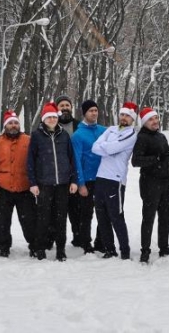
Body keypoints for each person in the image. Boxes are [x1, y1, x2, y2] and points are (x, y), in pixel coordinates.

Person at [27, 102, 78, 261]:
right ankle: (40, 248)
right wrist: (33, 183)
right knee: (43, 218)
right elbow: (30, 161)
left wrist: (74, 180)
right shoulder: (36, 136)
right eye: (48, 117)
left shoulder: (64, 135)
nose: (51, 120)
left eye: (54, 117)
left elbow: (72, 158)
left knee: (60, 218)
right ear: (43, 119)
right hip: (44, 184)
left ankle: (60, 250)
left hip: (62, 184)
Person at [0, 111, 37, 258]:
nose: (13, 125)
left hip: (24, 188)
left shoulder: (29, 140)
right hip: (3, 188)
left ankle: (34, 245)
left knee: (29, 220)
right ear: (5, 125)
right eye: (10, 123)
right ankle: (3, 245)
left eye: (16, 123)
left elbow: (36, 162)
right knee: (3, 220)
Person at [92, 102, 139, 260]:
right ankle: (109, 250)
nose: (124, 118)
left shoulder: (131, 133)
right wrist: (109, 147)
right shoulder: (110, 129)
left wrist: (107, 147)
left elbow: (109, 149)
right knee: (101, 216)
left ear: (132, 119)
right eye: (122, 114)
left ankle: (124, 252)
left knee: (116, 216)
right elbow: (94, 147)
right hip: (101, 177)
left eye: (127, 116)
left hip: (116, 180)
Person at [131, 107, 169, 263]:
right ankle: (145, 251)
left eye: (156, 118)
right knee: (148, 218)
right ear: (144, 122)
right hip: (150, 183)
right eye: (151, 119)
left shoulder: (161, 136)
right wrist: (155, 159)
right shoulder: (142, 138)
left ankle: (164, 248)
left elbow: (168, 159)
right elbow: (135, 161)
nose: (155, 121)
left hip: (166, 183)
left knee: (166, 217)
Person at [71, 100, 107, 253]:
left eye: (96, 110)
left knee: (104, 213)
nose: (94, 113)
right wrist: (81, 183)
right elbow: (76, 160)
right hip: (88, 180)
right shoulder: (77, 135)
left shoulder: (104, 131)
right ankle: (86, 243)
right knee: (86, 213)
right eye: (91, 110)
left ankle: (101, 241)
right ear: (84, 113)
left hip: (104, 178)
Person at [55, 95, 81, 247]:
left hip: (75, 172)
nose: (65, 108)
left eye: (67, 105)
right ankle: (53, 239)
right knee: (56, 211)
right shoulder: (50, 123)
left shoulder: (79, 126)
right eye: (61, 105)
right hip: (56, 174)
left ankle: (78, 238)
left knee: (76, 210)